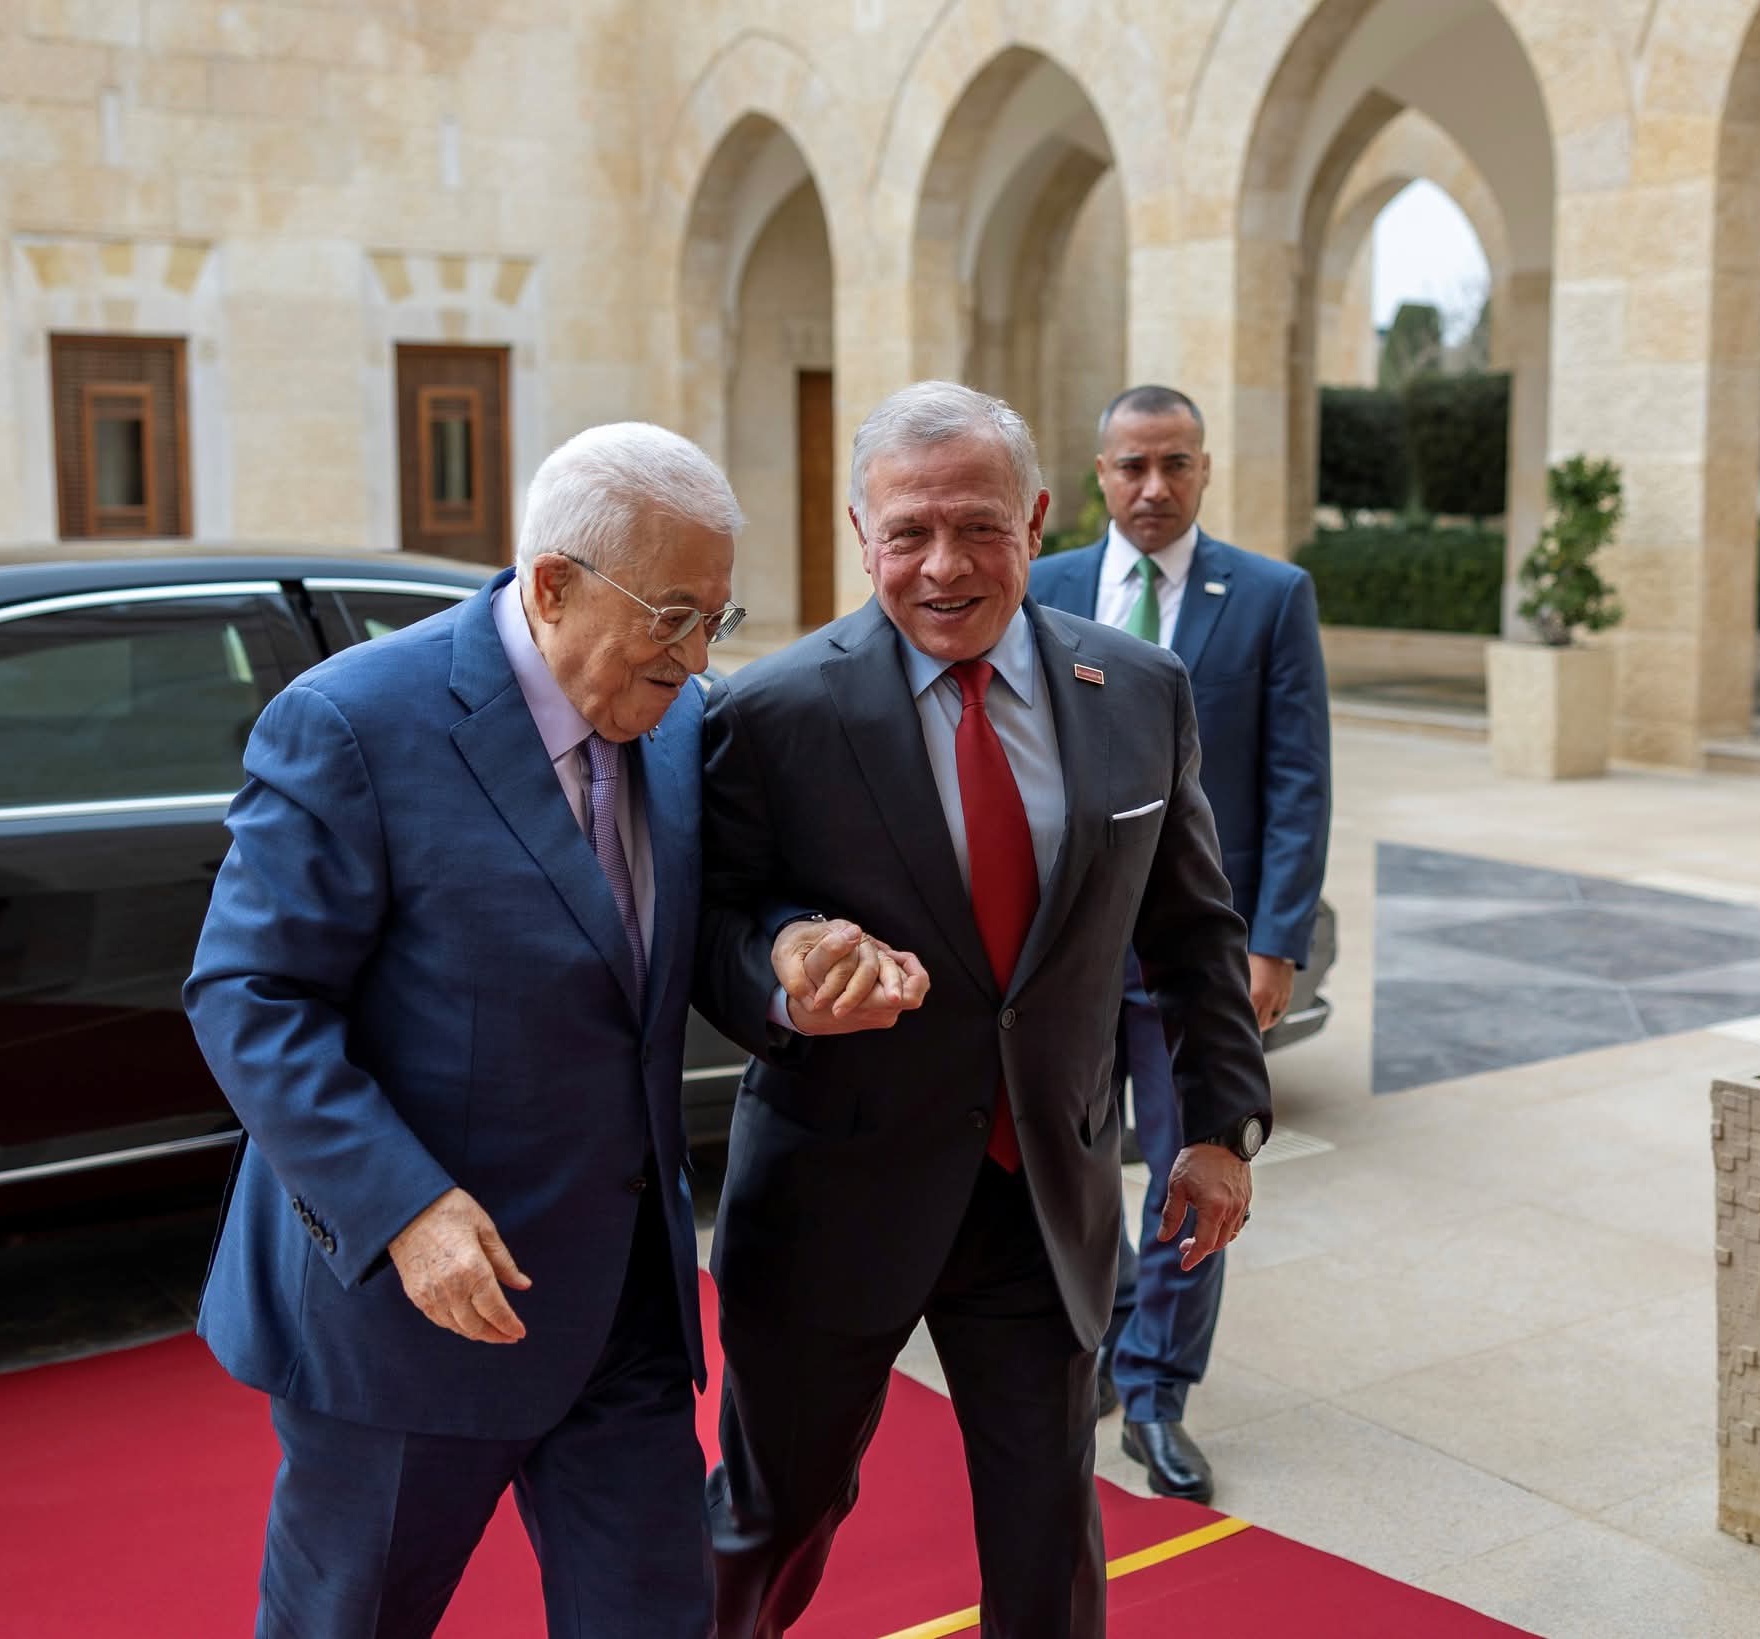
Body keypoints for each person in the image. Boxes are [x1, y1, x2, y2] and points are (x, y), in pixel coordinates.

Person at [694, 380, 1272, 1639]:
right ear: (861, 533)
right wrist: (787, 965)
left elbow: (1192, 927)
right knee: (773, 1517)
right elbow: (713, 929)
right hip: (834, 1199)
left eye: (977, 527)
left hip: (1040, 1192)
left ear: (1037, 518)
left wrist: (1218, 1127)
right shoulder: (771, 713)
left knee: (1044, 1535)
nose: (943, 566)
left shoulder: (1139, 688)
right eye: (907, 532)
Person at [184, 423, 746, 1638]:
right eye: (673, 615)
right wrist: (403, 1208)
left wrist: (799, 950)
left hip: (623, 1313)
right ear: (552, 585)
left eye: (716, 617)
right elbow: (250, 994)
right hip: (409, 1317)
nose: (698, 657)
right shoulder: (350, 721)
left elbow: (703, 934)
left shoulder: (673, 719)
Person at [1030, 384, 1332, 1503]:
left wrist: (1276, 941)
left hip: (1195, 953)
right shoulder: (1044, 587)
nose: (1152, 487)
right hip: (1064, 950)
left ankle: (1157, 1391)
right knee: (1066, 1161)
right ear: (1099, 474)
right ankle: (1108, 1328)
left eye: (1175, 464)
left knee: (1194, 1164)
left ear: (1203, 469)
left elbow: (1297, 780)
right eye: (1132, 465)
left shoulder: (1269, 596)